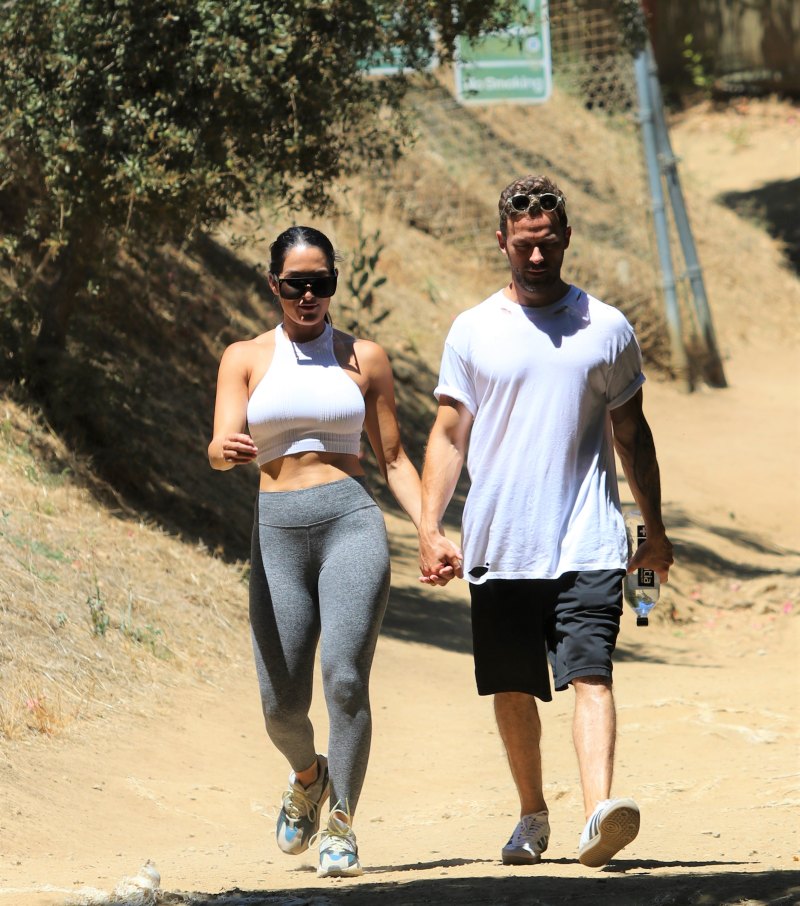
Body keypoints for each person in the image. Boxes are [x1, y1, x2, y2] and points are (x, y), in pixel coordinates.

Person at [418, 175, 673, 868]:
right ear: (502, 240)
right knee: (513, 687)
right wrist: (429, 527)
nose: (536, 257)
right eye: (524, 245)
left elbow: (632, 434)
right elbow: (447, 436)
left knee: (592, 672)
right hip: (500, 542)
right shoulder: (473, 330)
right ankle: (532, 813)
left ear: (566, 239)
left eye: (548, 243)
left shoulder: (607, 328)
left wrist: (653, 532)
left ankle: (598, 814)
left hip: (587, 536)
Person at [208, 225, 427, 878]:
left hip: (350, 523)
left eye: (322, 282)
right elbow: (219, 444)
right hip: (277, 530)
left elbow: (392, 458)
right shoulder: (244, 357)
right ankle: (309, 775)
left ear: (334, 284)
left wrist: (431, 530)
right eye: (296, 283)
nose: (309, 295)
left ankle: (341, 822)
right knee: (280, 705)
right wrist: (226, 451)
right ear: (274, 284)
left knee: (346, 678)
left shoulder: (365, 358)